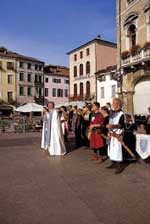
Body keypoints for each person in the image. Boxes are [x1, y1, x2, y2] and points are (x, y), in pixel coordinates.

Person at [106, 98, 125, 174]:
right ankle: (113, 164)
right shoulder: (112, 113)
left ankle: (119, 166)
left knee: (117, 150)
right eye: (113, 103)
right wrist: (108, 132)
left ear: (118, 104)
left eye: (114, 103)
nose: (112, 104)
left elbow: (121, 125)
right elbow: (109, 123)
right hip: (111, 134)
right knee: (111, 149)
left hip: (117, 135)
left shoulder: (121, 114)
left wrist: (112, 126)